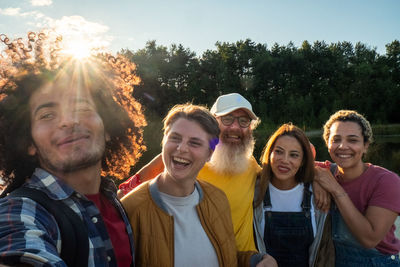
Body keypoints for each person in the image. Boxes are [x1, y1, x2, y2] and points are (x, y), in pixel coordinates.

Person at [0, 31, 145, 266]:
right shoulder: (19, 211)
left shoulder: (114, 202)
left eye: (81, 107)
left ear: (107, 128)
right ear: (29, 143)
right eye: (47, 114)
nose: (68, 121)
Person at [121, 103, 277, 267]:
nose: (181, 149)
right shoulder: (130, 209)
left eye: (194, 143)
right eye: (175, 138)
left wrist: (256, 260)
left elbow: (224, 255)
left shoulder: (218, 198)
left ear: (209, 153)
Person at [314, 110, 400, 266]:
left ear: (366, 146)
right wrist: (314, 178)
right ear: (327, 144)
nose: (343, 146)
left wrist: (335, 189)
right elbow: (300, 159)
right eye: (336, 139)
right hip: (336, 260)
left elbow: (370, 239)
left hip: (377, 261)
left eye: (352, 140)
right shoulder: (326, 172)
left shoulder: (387, 182)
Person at [253, 123, 327, 267]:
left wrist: (316, 175)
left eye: (294, 155)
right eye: (279, 152)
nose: (285, 160)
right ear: (270, 153)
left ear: (303, 160)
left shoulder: (316, 195)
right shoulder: (254, 190)